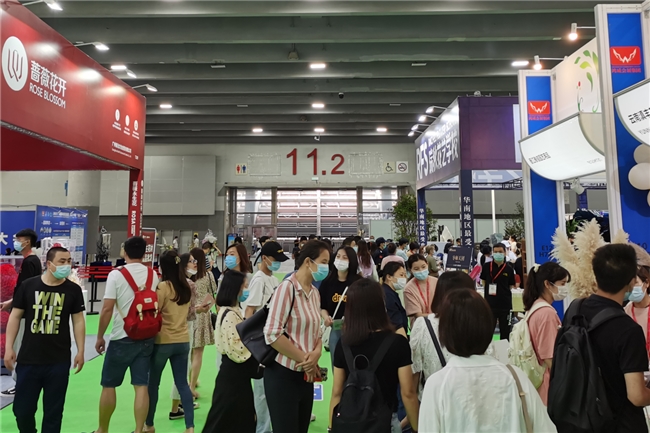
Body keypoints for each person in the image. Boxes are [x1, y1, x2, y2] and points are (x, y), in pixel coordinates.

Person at [419, 289, 555, 432]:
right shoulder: (515, 377)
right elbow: (545, 428)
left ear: (445, 332)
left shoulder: (437, 385)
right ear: (488, 326)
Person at [559, 244, 650, 432]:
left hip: (579, 417)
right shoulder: (628, 329)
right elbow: (637, 396)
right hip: (619, 423)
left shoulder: (575, 310)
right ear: (631, 281)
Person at [4, 246, 85, 433]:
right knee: (22, 411)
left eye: (69, 261)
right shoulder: (28, 286)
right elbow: (15, 316)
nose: (66, 265)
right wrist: (9, 348)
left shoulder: (73, 290)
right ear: (49, 264)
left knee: (53, 413)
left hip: (58, 361)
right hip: (29, 360)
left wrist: (80, 350)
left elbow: (78, 321)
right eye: (62, 261)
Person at [330, 279, 419, 433]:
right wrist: (418, 428)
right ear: (380, 305)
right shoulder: (398, 343)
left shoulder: (343, 344)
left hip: (349, 422)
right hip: (385, 422)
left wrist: (331, 427)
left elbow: (337, 392)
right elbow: (408, 393)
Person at [94, 236, 159, 433]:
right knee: (141, 385)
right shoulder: (152, 274)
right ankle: (139, 430)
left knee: (109, 385)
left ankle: (103, 429)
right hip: (146, 335)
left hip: (122, 336)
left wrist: (100, 336)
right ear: (145, 253)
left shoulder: (116, 274)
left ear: (125, 252)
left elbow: (107, 309)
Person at [263, 240, 329, 433]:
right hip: (283, 375)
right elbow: (272, 333)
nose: (327, 268)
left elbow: (317, 332)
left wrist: (316, 353)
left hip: (306, 377)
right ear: (308, 261)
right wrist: (305, 360)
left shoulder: (315, 293)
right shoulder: (287, 288)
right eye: (324, 262)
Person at [203, 271, 261, 433]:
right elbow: (239, 350)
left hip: (235, 378)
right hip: (233, 379)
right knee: (222, 422)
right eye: (245, 286)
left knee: (239, 421)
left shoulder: (233, 311)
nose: (246, 290)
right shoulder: (229, 315)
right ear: (235, 288)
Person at [144, 251, 195, 433]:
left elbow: (154, 311)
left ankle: (149, 424)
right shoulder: (187, 286)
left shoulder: (162, 287)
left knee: (153, 384)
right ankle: (190, 426)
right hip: (183, 340)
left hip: (162, 341)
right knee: (183, 384)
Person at [244, 241, 288, 433]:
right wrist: (252, 343)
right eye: (275, 259)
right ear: (264, 259)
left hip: (274, 340)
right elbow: (249, 311)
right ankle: (262, 429)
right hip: (261, 343)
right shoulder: (259, 280)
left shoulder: (273, 279)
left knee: (272, 387)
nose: (277, 263)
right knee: (261, 391)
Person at [409, 271, 474, 398]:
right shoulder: (479, 323)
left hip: (434, 399)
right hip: (471, 398)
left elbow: (414, 374)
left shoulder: (424, 325)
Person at [522, 262, 570, 405]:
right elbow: (549, 357)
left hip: (538, 384)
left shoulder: (535, 308)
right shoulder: (547, 313)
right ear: (547, 284)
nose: (565, 288)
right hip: (547, 386)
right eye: (562, 283)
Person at [169, 253, 204, 420]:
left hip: (168, 329)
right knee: (182, 369)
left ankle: (180, 403)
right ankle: (176, 408)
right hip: (185, 329)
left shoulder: (168, 283)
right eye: (191, 261)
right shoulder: (189, 285)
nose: (194, 263)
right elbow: (190, 313)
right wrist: (200, 309)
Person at [320, 246, 362, 362]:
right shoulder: (327, 282)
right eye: (338, 257)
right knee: (336, 361)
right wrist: (326, 317)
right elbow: (322, 306)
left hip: (355, 330)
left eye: (345, 258)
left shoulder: (358, 283)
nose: (340, 260)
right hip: (335, 329)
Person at [189, 248, 217, 398]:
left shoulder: (186, 276)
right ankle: (192, 386)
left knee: (189, 351)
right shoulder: (208, 275)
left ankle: (190, 380)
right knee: (198, 352)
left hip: (187, 315)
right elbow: (213, 294)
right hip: (202, 315)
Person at [1, 229, 42, 313]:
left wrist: (14, 303)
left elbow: (26, 288)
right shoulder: (32, 259)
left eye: (19, 240)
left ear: (27, 242)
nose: (16, 242)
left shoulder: (29, 262)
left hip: (24, 309)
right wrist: (11, 301)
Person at [481, 243, 515, 340]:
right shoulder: (486, 266)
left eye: (500, 252)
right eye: (495, 252)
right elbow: (483, 281)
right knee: (488, 331)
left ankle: (505, 348)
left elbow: (511, 285)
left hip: (505, 304)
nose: (498, 254)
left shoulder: (509, 269)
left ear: (505, 253)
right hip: (490, 303)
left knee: (505, 332)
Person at [404, 254, 438, 327]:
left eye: (423, 267)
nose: (421, 271)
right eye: (416, 269)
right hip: (420, 327)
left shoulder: (436, 282)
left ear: (427, 265)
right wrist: (438, 316)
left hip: (437, 325)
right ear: (410, 270)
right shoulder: (408, 289)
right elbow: (418, 315)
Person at [624, 264, 650, 357]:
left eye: (635, 283)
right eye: (628, 284)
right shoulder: (625, 313)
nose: (632, 288)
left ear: (646, 283)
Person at [382, 262, 409, 337]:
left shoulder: (390, 292)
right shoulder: (388, 295)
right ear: (389, 277)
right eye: (401, 275)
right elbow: (396, 324)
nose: (404, 278)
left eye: (405, 275)